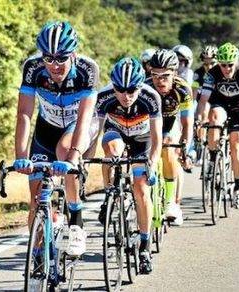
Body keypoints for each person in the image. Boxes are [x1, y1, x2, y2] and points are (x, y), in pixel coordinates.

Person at [13, 21, 98, 257]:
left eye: (61, 58)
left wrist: (73, 157)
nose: (54, 65)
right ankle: (39, 256)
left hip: (80, 124)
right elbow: (24, 115)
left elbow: (84, 119)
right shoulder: (33, 68)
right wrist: (21, 157)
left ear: (73, 54)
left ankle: (77, 222)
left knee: (63, 151)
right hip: (46, 126)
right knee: (37, 194)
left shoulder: (87, 70)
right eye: (48, 58)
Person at [96, 57, 162, 274]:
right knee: (112, 153)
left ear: (140, 85)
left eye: (132, 89)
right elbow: (95, 131)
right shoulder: (103, 97)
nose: (126, 95)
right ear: (113, 86)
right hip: (115, 131)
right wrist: (84, 159)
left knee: (141, 188)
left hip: (142, 138)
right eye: (120, 89)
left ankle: (144, 245)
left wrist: (151, 163)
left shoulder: (150, 97)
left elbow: (157, 136)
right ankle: (109, 194)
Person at [195, 42, 239, 209]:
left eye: (230, 65)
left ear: (235, 62)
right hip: (220, 104)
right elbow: (203, 101)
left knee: (236, 146)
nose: (227, 69)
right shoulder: (213, 73)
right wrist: (200, 119)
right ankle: (214, 159)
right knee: (214, 120)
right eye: (223, 65)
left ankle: (237, 188)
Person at [145, 49, 193, 225]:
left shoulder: (183, 89)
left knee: (169, 147)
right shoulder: (145, 86)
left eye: (165, 75)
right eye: (155, 75)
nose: (160, 80)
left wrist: (185, 147)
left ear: (174, 73)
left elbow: (187, 123)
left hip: (170, 124)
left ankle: (170, 201)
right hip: (148, 125)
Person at [192, 45, 217, 164]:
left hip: (217, 101)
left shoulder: (220, 72)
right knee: (201, 117)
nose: (209, 66)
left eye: (212, 62)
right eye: (205, 63)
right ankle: (200, 148)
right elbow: (194, 92)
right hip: (202, 102)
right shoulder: (198, 73)